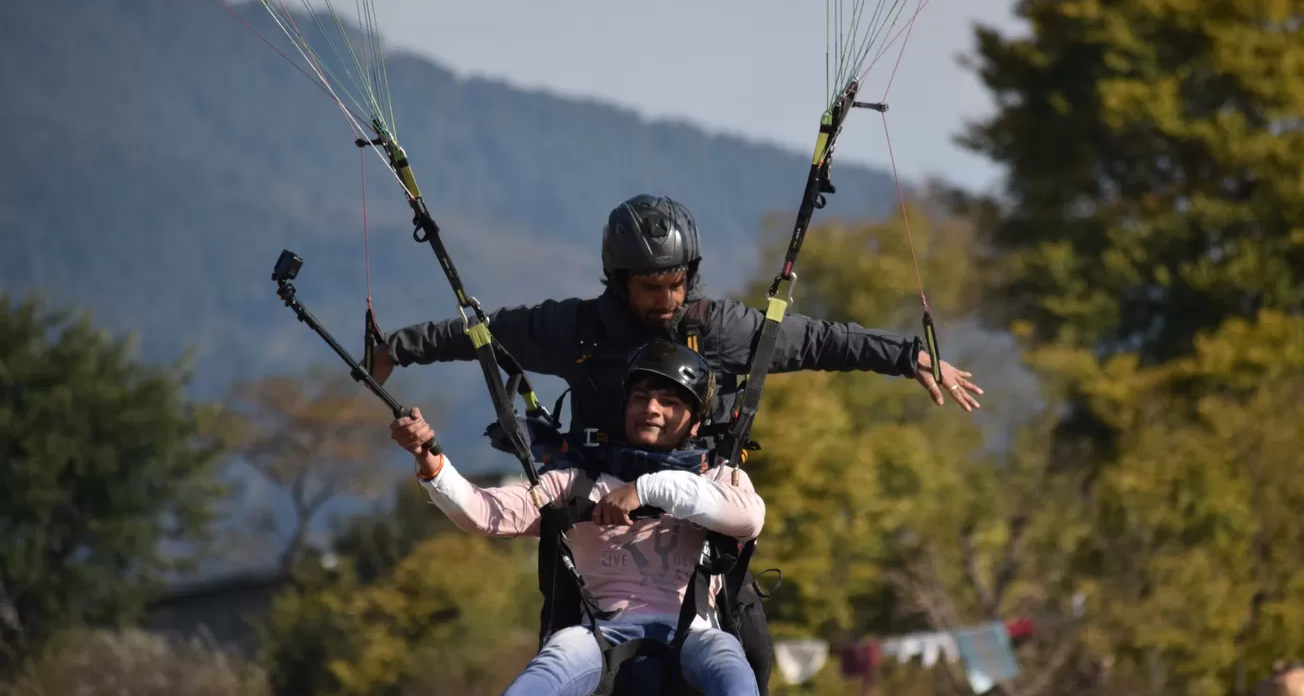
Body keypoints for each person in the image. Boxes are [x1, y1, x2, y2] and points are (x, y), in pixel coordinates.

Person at [390, 339, 768, 696]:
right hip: (601, 634)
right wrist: (430, 459)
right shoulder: (574, 483)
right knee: (559, 654)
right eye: (640, 398)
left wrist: (646, 488)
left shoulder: (719, 478)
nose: (650, 409)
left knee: (726, 653)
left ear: (694, 420)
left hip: (690, 630)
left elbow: (749, 518)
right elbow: (480, 512)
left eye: (669, 402)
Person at [370, 193, 982, 450]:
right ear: (619, 280)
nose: (666, 299)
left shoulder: (717, 328)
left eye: (675, 284)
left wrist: (910, 356)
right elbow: (483, 334)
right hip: (598, 500)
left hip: (696, 496)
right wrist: (397, 348)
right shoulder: (575, 328)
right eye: (650, 287)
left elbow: (819, 340)